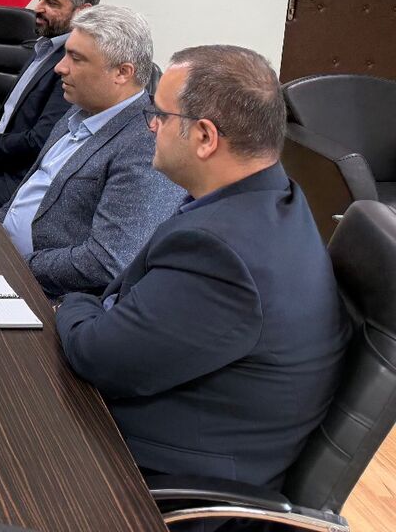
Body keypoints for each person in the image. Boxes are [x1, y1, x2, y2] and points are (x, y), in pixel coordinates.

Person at [57, 45, 351, 490]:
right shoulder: (272, 197)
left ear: (205, 137)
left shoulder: (222, 253)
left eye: (159, 114)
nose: (151, 125)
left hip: (154, 479)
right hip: (178, 422)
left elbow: (97, 356)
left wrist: (71, 302)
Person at [0, 5, 184, 297]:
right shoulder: (80, 108)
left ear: (122, 72)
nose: (60, 67)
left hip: (43, 293)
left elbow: (108, 261)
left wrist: (16, 265)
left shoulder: (147, 143)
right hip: (0, 255)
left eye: (76, 58)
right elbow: (29, 193)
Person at [0, 0, 101, 209]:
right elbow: (10, 115)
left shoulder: (74, 65)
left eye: (51, 3)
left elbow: (40, 141)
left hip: (20, 179)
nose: (38, 8)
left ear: (83, 12)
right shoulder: (43, 46)